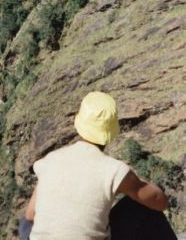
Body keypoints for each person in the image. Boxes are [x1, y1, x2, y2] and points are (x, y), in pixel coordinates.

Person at [19, 91, 177, 240]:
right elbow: (160, 202)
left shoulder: (51, 160)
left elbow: (30, 216)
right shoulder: (115, 171)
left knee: (26, 225)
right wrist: (136, 182)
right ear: (112, 131)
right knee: (143, 207)